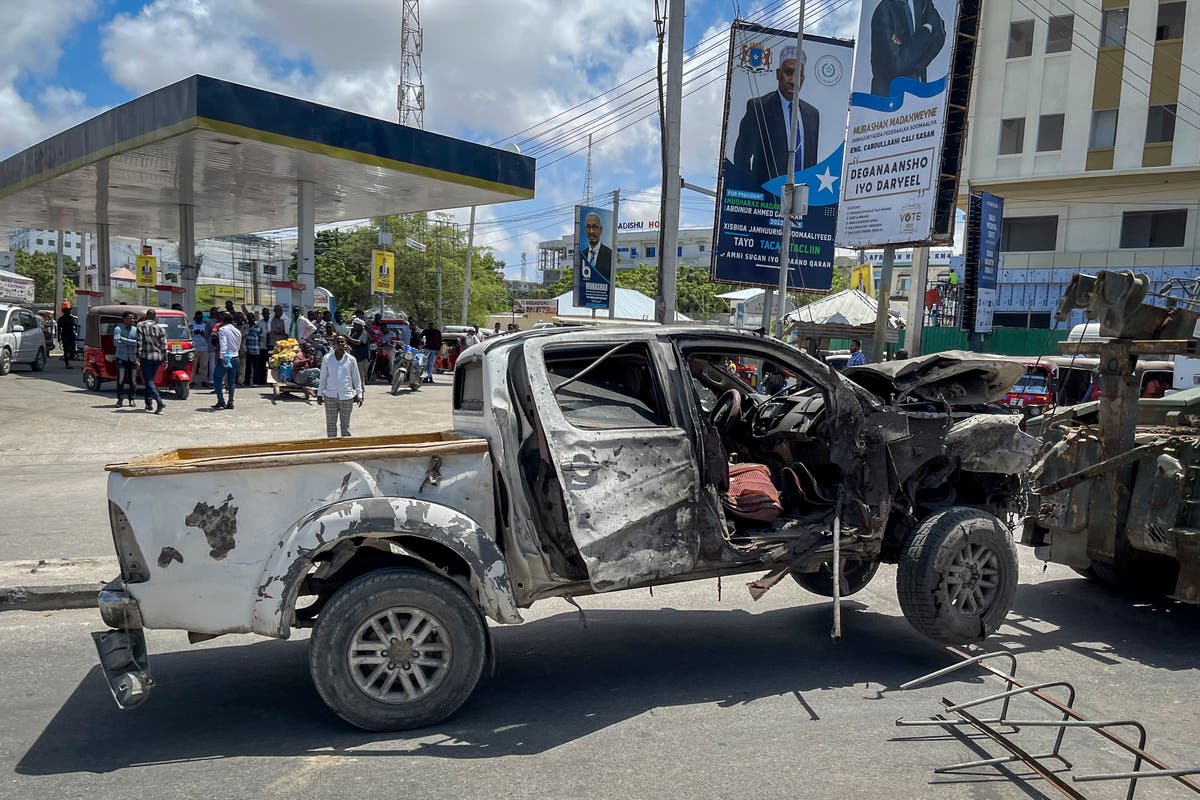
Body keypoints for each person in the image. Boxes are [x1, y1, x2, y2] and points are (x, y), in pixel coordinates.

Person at [732, 45, 821, 189]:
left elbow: (811, 162)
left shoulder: (812, 115)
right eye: (788, 72)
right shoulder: (759, 107)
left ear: (803, 78)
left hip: (801, 202)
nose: (793, 80)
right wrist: (751, 191)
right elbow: (742, 155)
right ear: (778, 74)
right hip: (767, 201)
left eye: (798, 74)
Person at [869, 0, 946, 96]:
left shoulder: (924, 3)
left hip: (918, 92)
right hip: (889, 100)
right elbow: (898, 64)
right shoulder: (884, 11)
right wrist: (927, 29)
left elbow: (940, 36)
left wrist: (915, 61)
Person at [317, 335, 363, 438]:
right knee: (331, 425)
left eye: (343, 342)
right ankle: (332, 449)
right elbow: (323, 377)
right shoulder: (327, 359)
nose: (341, 344)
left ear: (346, 344)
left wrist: (359, 394)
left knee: (345, 426)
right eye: (338, 342)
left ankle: (345, 450)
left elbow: (356, 377)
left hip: (346, 397)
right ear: (334, 344)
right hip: (330, 396)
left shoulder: (351, 360)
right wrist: (319, 394)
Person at [135, 309, 166, 414]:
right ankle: (148, 403)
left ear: (146, 315)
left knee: (148, 381)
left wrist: (137, 357)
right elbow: (164, 346)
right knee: (150, 380)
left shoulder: (140, 325)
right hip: (157, 358)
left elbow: (139, 342)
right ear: (155, 316)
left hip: (146, 357)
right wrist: (165, 359)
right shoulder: (159, 328)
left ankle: (159, 401)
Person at [212, 311, 242, 410]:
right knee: (231, 381)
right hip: (235, 356)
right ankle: (231, 402)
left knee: (217, 378)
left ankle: (221, 401)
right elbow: (238, 345)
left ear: (223, 321)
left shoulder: (223, 330)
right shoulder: (237, 331)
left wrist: (223, 357)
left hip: (226, 356)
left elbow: (223, 345)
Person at [578, 212, 613, 287]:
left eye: (595, 227)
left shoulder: (610, 255)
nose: (591, 231)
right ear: (585, 230)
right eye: (588, 227)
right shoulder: (581, 255)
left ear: (601, 229)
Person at [112, 310, 138, 407]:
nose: (132, 320)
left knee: (133, 380)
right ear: (124, 319)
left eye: (133, 318)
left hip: (133, 358)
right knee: (121, 379)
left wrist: (123, 339)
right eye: (129, 318)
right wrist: (130, 342)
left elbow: (137, 342)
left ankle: (132, 399)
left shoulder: (135, 330)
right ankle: (120, 400)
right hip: (121, 358)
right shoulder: (118, 329)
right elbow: (116, 342)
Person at [346, 317, 371, 387]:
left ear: (360, 325)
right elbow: (350, 341)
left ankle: (361, 392)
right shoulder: (356, 333)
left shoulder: (364, 333)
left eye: (355, 325)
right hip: (357, 357)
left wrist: (347, 337)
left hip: (362, 357)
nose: (354, 327)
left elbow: (358, 342)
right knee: (356, 376)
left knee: (361, 376)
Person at [190, 311, 210, 388]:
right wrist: (195, 332)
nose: (199, 318)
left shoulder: (205, 325)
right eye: (198, 317)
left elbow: (208, 336)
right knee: (193, 366)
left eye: (200, 317)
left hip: (204, 348)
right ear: (195, 317)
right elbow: (187, 334)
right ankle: (191, 381)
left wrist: (203, 333)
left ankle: (204, 381)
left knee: (204, 366)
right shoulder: (191, 325)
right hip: (194, 348)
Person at [57, 302, 77, 367]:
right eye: (67, 311)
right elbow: (59, 329)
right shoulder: (61, 319)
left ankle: (68, 359)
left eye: (69, 311)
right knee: (66, 349)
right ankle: (67, 363)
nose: (69, 312)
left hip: (70, 334)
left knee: (72, 349)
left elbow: (75, 325)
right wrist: (58, 337)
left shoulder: (71, 318)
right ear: (65, 312)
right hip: (66, 334)